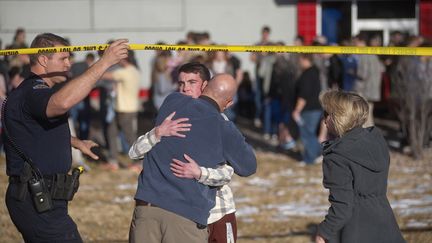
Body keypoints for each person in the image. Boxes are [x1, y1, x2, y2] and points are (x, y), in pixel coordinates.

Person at [3, 33, 129, 242]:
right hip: (37, 198)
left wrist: (76, 142)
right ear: (43, 59)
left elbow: (33, 130)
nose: (68, 64)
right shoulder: (34, 91)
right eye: (63, 59)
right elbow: (60, 104)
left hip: (39, 197)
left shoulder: (30, 91)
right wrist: (105, 62)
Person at [129, 73, 257, 243]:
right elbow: (248, 166)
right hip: (184, 215)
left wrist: (158, 133)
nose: (186, 88)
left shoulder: (172, 101)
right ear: (229, 103)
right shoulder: (223, 127)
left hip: (146, 208)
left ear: (204, 87)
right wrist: (201, 172)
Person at [315, 90, 405, 243]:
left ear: (339, 117)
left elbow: (342, 206)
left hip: (355, 229)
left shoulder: (337, 156)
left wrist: (324, 232)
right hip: (384, 219)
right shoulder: (375, 140)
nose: (324, 120)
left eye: (327, 114)